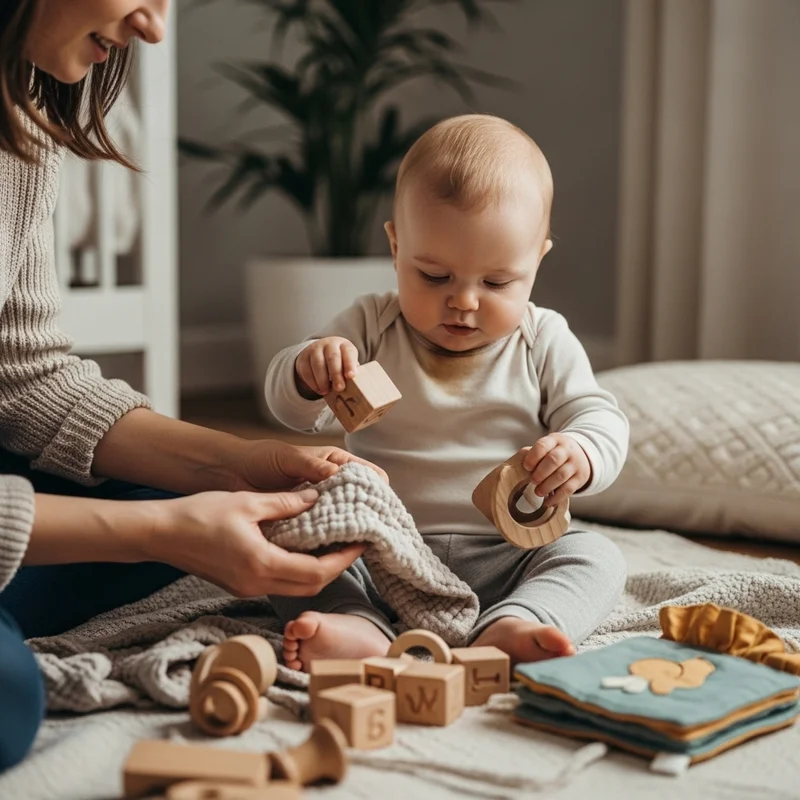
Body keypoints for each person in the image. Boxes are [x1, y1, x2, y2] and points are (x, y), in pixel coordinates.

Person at [0, 0, 385, 773]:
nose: (155, 27)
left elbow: (25, 375)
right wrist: (159, 530)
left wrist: (232, 464)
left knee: (217, 532)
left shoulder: (19, 119)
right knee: (10, 704)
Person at [265, 114, 630, 672]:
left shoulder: (543, 339)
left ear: (537, 261)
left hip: (509, 553)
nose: (464, 301)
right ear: (396, 246)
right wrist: (305, 369)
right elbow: (290, 411)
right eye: (434, 277)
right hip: (380, 546)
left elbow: (599, 417)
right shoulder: (369, 325)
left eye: (496, 282)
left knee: (595, 554)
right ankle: (355, 622)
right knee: (287, 544)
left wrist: (580, 452)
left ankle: (516, 622)